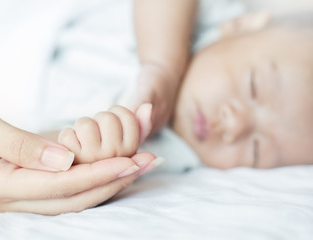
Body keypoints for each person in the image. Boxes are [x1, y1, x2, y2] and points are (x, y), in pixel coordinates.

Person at [59, 10, 313, 170]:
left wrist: (89, 154)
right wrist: (162, 66)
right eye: (254, 87)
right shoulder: (210, 15)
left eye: (256, 151)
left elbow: (40, 148)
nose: (235, 126)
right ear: (242, 24)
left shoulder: (168, 157)